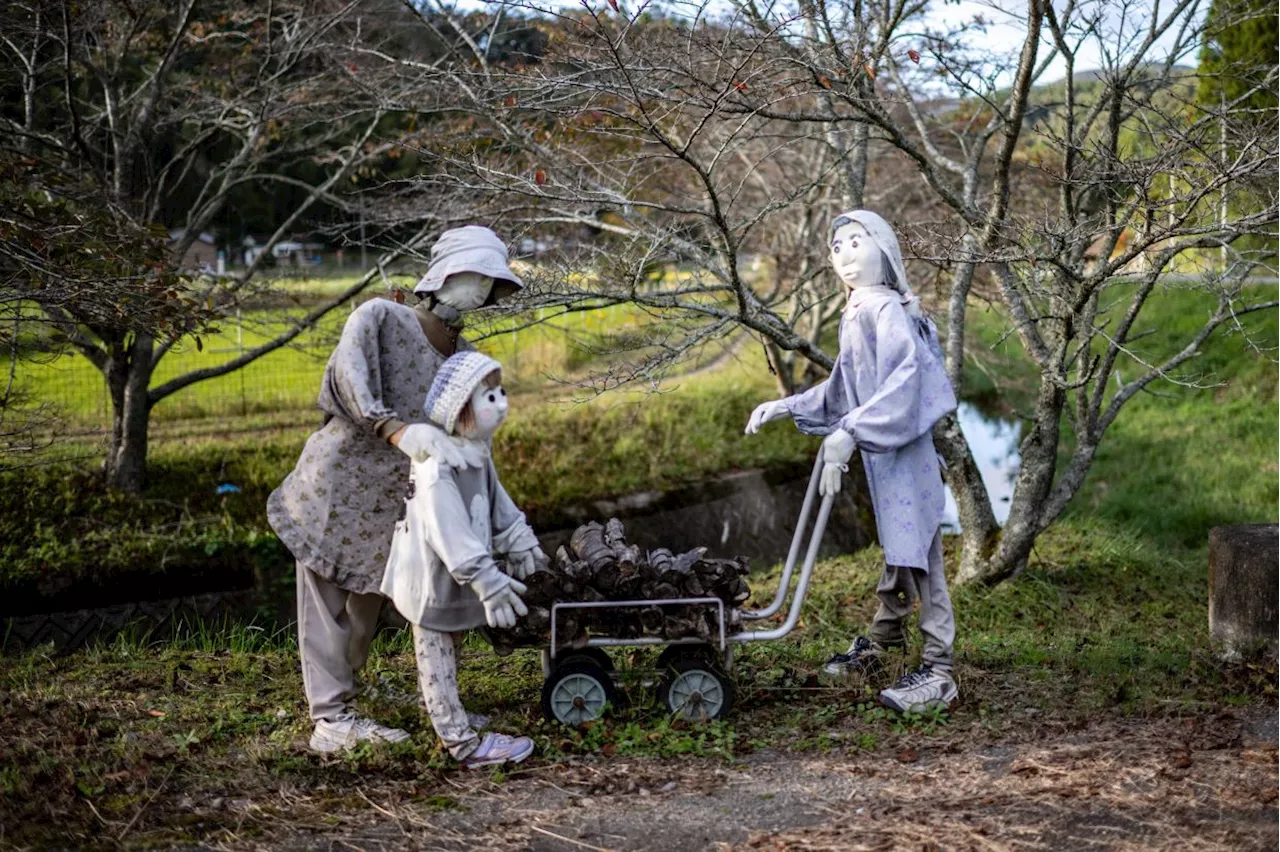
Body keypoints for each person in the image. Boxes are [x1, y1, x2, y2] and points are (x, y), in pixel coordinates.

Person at [267, 226, 525, 754]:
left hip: (397, 506)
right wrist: (394, 428)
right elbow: (350, 377)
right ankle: (331, 720)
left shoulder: (466, 356)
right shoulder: (380, 318)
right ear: (445, 274)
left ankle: (360, 696)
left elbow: (470, 436)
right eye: (475, 274)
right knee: (327, 608)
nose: (481, 289)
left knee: (370, 609)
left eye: (491, 281)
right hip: (337, 487)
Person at [745, 210, 960, 713]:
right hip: (885, 459)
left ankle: (941, 670)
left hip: (905, 455)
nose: (844, 254)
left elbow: (904, 385)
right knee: (897, 549)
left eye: (856, 242)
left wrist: (851, 432)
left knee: (922, 558)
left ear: (883, 249)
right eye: (837, 246)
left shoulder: (886, 311)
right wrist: (786, 405)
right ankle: (883, 643)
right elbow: (845, 388)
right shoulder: (858, 312)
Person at [381, 351, 544, 768]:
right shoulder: (439, 467)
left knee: (450, 645)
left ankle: (445, 710)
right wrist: (487, 580)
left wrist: (518, 539)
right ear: (461, 409)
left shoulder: (475, 454)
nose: (502, 403)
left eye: (501, 392)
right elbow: (448, 532)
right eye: (488, 397)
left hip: (451, 577)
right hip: (430, 577)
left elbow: (496, 504)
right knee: (435, 650)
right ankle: (461, 743)